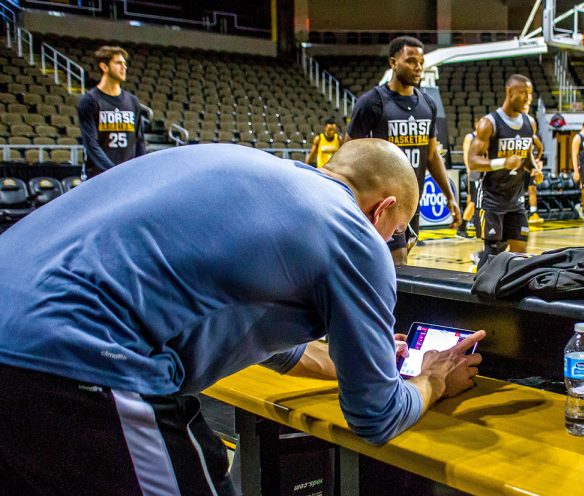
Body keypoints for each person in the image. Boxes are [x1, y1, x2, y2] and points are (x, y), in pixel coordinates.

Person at [0, 140, 484, 494]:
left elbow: (237, 323)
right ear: (384, 210)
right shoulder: (353, 232)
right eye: (396, 234)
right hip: (76, 353)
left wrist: (353, 361)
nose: (391, 245)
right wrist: (433, 381)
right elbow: (375, 417)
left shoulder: (259, 175)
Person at [347, 36, 461, 264]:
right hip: (383, 203)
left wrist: (449, 196)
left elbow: (431, 156)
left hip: (412, 202)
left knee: (395, 263)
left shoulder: (427, 104)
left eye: (420, 62)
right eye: (410, 61)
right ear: (393, 63)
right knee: (398, 266)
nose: (418, 67)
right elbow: (347, 154)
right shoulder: (372, 102)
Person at [467, 74, 543, 269]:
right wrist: (503, 163)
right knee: (494, 255)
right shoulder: (489, 123)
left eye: (530, 94)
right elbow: (472, 161)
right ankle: (479, 278)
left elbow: (526, 156)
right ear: (509, 92)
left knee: (520, 253)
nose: (528, 98)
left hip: (516, 199)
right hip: (491, 199)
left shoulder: (530, 123)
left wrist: (534, 169)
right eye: (524, 93)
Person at [76, 45, 145, 177]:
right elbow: (91, 145)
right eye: (119, 63)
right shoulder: (90, 101)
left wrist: (140, 169)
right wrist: (113, 172)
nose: (124, 67)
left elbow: (139, 141)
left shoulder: (132, 101)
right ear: (104, 67)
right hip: (97, 176)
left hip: (127, 175)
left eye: (125, 63)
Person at [457, 122, 480, 238]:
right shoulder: (470, 137)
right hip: (474, 172)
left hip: (483, 172)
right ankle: (462, 228)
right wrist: (468, 169)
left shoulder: (485, 137)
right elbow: (466, 154)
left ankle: (475, 225)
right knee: (474, 200)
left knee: (475, 200)